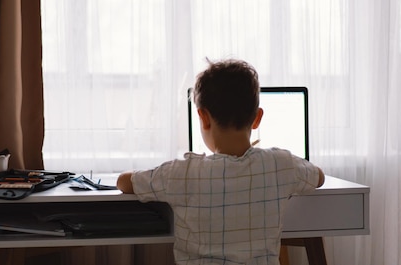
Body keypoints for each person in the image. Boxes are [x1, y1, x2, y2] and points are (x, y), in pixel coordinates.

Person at [117, 58, 325, 265]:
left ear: (203, 117)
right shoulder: (281, 165)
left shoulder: (181, 172)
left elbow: (124, 182)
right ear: (257, 118)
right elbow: (319, 177)